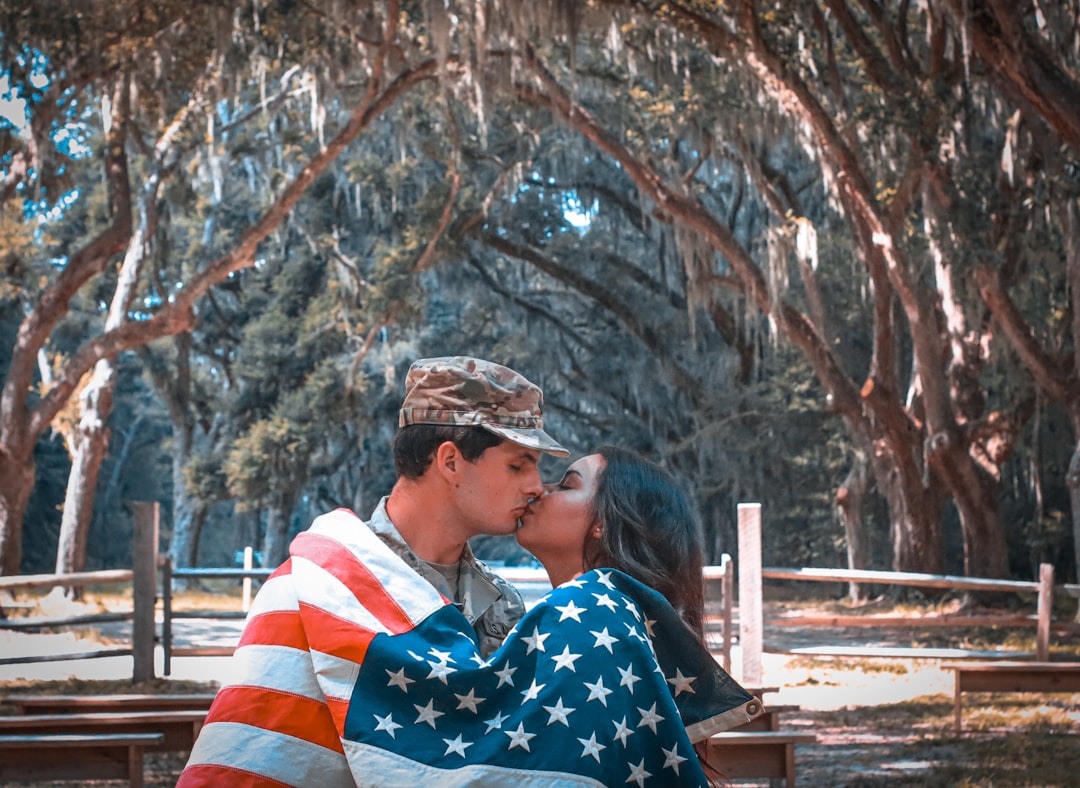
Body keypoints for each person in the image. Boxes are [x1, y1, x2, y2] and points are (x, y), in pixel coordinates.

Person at [177, 356, 569, 787]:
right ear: (451, 462)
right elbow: (256, 754)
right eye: (518, 464)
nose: (536, 485)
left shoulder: (503, 605)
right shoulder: (315, 586)